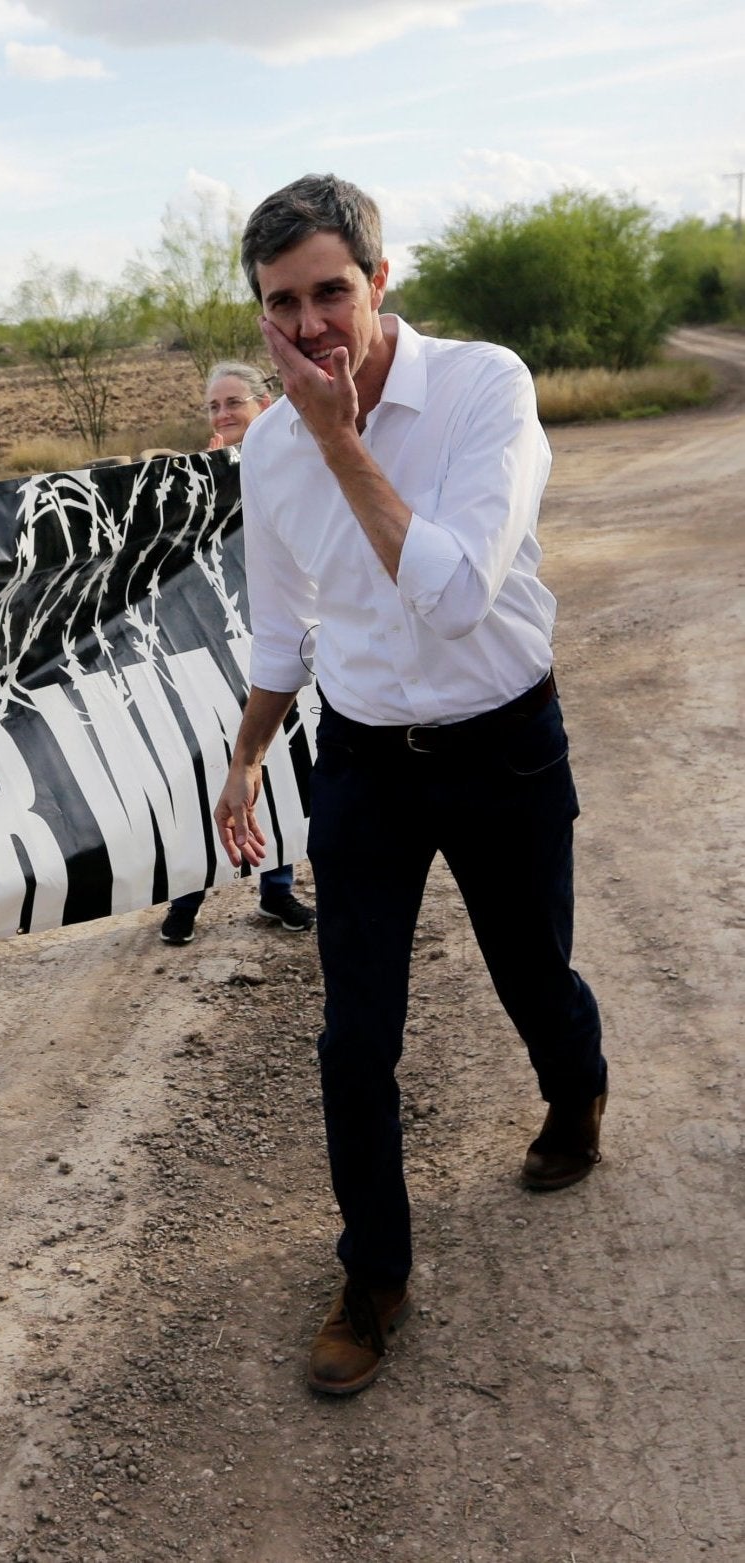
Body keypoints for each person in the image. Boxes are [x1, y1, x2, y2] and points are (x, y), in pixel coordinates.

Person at [211, 175, 606, 1397]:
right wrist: (248, 752)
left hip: (502, 739)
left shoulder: (486, 388)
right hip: (369, 760)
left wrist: (341, 440)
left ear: (381, 281)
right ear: (262, 316)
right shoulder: (268, 452)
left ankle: (576, 1089)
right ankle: (374, 1276)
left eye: (332, 290)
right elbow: (283, 631)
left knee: (529, 968)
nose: (313, 325)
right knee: (351, 1034)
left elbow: (451, 595)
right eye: (285, 305)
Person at [159, 361, 317, 945]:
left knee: (276, 767)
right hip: (207, 650)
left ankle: (277, 893)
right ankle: (185, 898)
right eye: (214, 407)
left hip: (276, 644)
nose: (223, 415)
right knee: (203, 767)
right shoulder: (194, 482)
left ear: (266, 405)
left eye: (234, 403)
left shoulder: (297, 461)